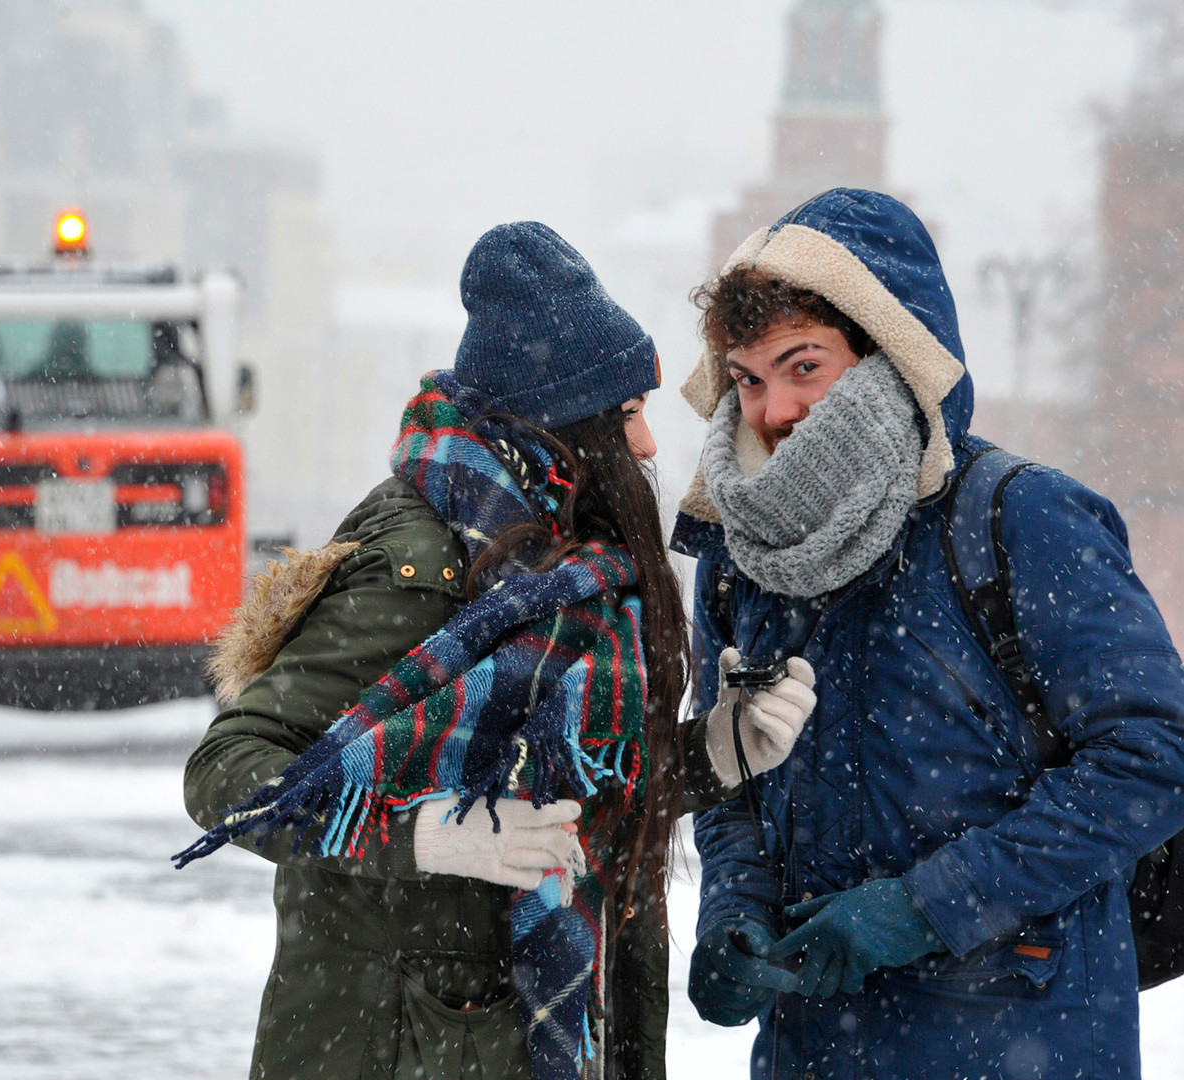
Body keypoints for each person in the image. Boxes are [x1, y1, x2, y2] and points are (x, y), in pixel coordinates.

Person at [174, 222, 816, 1080]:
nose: (648, 446)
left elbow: (570, 786)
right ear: (564, 426)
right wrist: (424, 836)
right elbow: (225, 773)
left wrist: (719, 752)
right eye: (626, 415)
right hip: (391, 1045)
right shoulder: (419, 562)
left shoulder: (575, 573)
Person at [674, 189, 1184, 1080]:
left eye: (804, 366)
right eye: (749, 378)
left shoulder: (1021, 520)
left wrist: (922, 910)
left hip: (1017, 1037)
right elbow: (732, 778)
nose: (773, 410)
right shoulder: (740, 558)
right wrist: (733, 908)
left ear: (893, 357)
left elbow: (1159, 757)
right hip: (811, 1049)